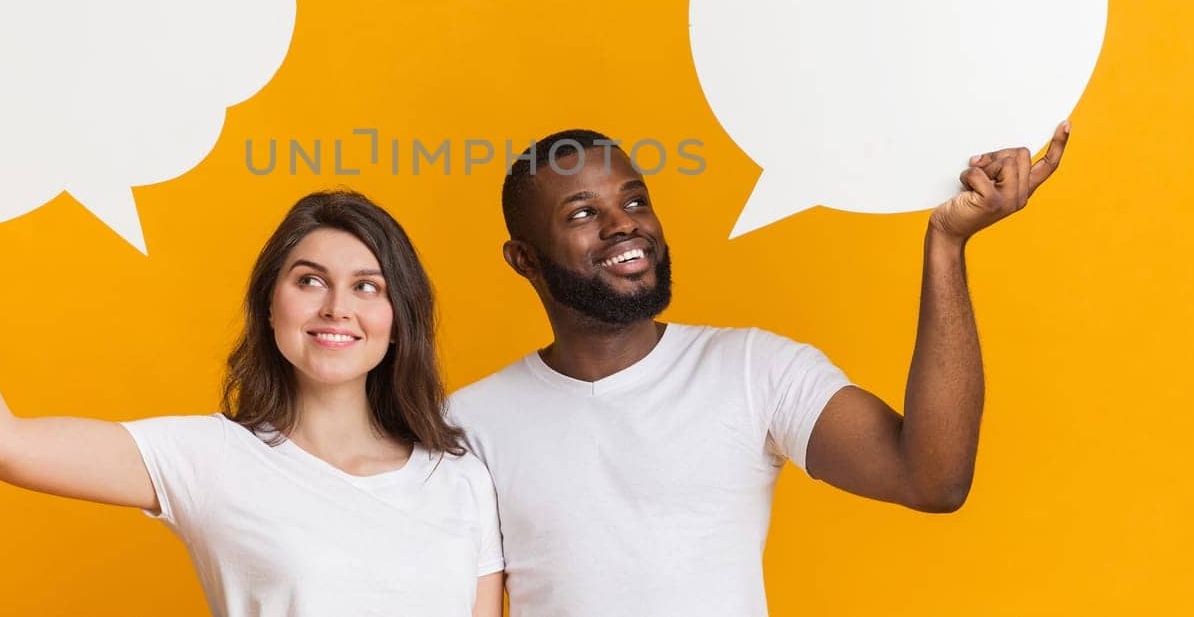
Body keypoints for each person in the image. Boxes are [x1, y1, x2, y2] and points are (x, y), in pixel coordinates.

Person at [0, 130, 504, 616]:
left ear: (399, 316)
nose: (337, 307)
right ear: (271, 304)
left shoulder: (460, 478)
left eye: (368, 287)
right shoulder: (210, 459)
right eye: (311, 281)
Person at [447, 125, 1071, 616]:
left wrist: (946, 244)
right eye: (582, 213)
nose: (624, 224)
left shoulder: (752, 369)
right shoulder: (468, 424)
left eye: (635, 199)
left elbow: (932, 480)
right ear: (523, 259)